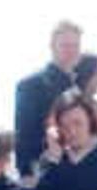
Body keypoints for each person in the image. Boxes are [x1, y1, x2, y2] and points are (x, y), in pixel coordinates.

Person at [13, 19, 84, 177]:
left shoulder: (78, 90)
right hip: (45, 172)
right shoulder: (31, 84)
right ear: (52, 47)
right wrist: (27, 174)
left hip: (78, 172)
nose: (71, 51)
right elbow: (24, 136)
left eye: (75, 46)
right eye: (65, 45)